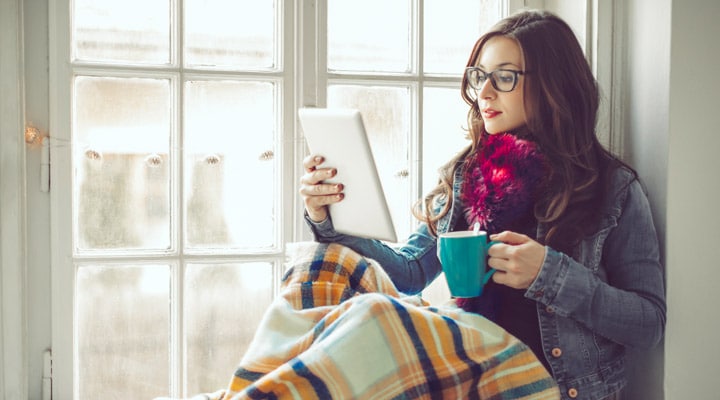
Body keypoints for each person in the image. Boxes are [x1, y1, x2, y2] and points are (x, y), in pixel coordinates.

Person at [299, 9, 665, 400]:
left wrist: (551, 275)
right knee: (313, 281)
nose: (484, 92)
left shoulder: (613, 189)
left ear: (554, 85)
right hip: (477, 383)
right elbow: (409, 272)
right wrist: (329, 217)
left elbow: (648, 325)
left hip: (562, 392)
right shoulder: (469, 174)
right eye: (479, 75)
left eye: (504, 77)